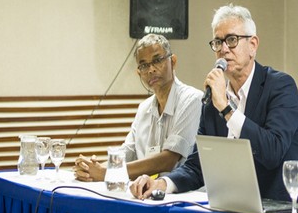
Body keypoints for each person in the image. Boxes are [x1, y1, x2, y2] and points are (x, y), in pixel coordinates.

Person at [130, 4, 298, 204]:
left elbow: (272, 152)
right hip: (233, 209)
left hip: (285, 210)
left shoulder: (280, 86)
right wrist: (162, 184)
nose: (224, 49)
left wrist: (227, 109)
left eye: (232, 40)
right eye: (218, 42)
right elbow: (197, 166)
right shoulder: (213, 100)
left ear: (253, 45)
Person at [74, 34, 202, 182]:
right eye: (144, 65)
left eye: (157, 60)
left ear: (173, 61)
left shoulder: (192, 99)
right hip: (145, 190)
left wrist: (106, 173)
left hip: (182, 192)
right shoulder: (144, 108)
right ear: (139, 73)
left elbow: (168, 160)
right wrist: (91, 169)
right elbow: (127, 153)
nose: (151, 70)